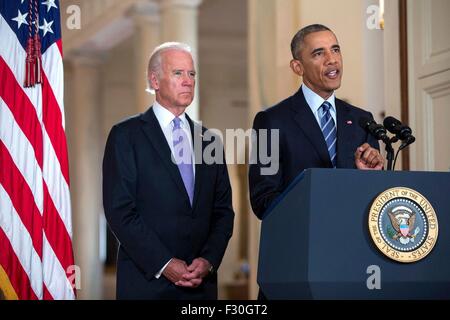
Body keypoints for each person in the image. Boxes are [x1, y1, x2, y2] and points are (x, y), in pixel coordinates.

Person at [103, 42, 234, 300]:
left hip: (201, 288)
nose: (188, 81)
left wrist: (208, 260)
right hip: (146, 284)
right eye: (178, 73)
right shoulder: (126, 136)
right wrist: (164, 263)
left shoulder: (210, 141)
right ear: (155, 80)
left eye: (192, 74)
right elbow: (120, 211)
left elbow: (223, 212)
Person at [249, 24, 384, 220]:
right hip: (302, 241)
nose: (332, 59)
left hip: (354, 239)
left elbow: (376, 196)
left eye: (335, 50)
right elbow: (263, 199)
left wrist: (370, 175)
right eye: (319, 53)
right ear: (298, 67)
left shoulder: (361, 120)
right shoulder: (270, 121)